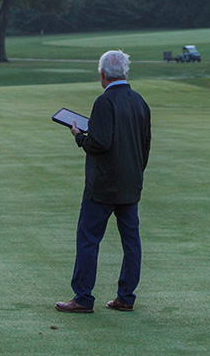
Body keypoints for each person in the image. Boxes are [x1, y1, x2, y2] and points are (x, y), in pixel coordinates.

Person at [56, 50, 152, 313]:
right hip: (130, 185)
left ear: (102, 73)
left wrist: (78, 135)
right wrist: (135, 174)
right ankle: (126, 297)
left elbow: (99, 143)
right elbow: (145, 145)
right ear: (125, 72)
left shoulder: (104, 102)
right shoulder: (140, 101)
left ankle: (83, 298)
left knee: (88, 238)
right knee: (131, 242)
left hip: (102, 186)